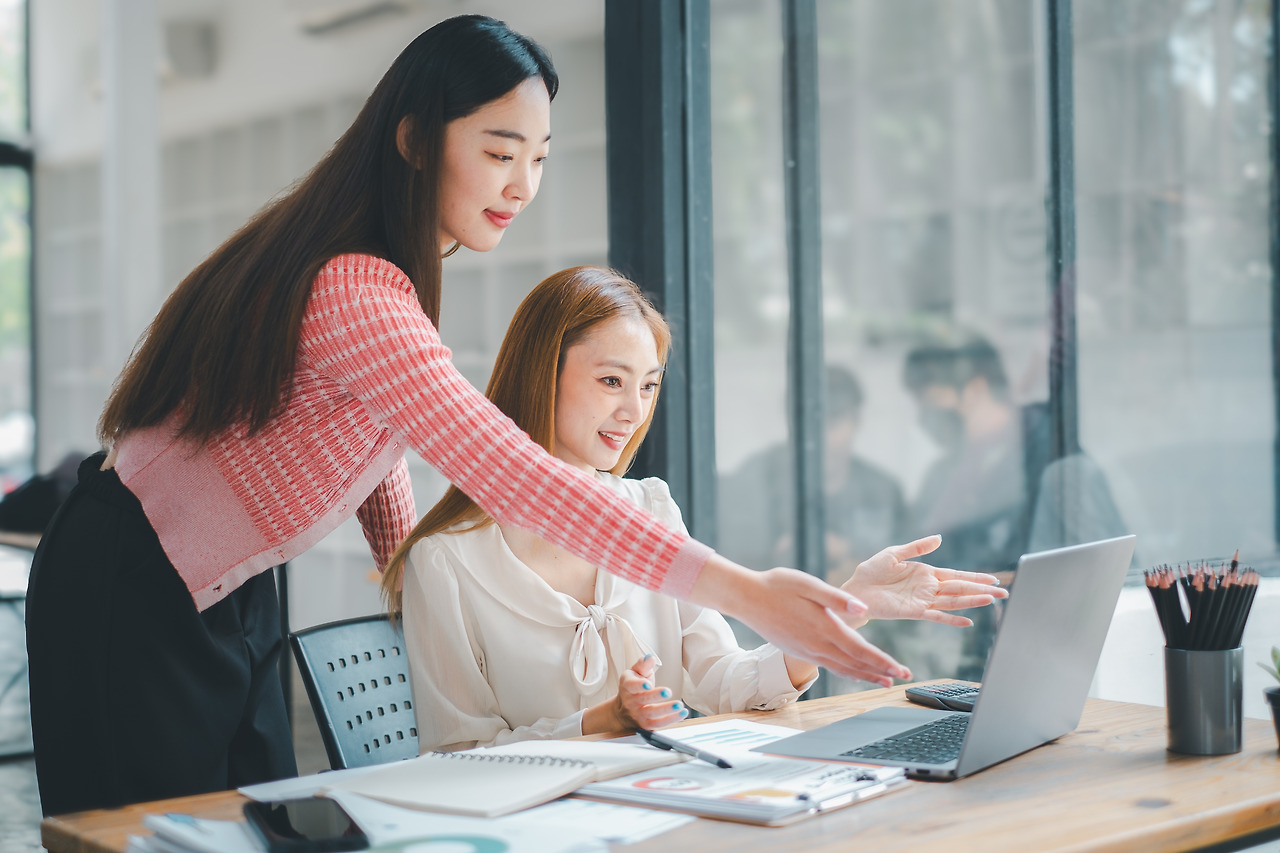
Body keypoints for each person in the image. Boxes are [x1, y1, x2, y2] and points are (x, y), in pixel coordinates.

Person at [23, 15, 926, 816]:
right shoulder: (355, 284)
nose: (522, 183)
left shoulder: (383, 278)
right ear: (415, 139)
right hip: (133, 576)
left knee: (242, 827)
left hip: (230, 580)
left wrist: (406, 574)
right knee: (142, 838)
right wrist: (746, 589)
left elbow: (373, 453)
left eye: (537, 157)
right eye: (500, 152)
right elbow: (515, 474)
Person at [381, 267, 1007, 751]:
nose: (633, 411)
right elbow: (458, 757)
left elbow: (728, 682)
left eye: (648, 384)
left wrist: (843, 609)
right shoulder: (446, 560)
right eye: (610, 381)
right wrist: (601, 721)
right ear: (542, 372)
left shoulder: (650, 510)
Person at [901, 335, 1127, 680]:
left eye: (931, 401)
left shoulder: (1052, 461)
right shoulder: (945, 474)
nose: (926, 417)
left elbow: (1099, 575)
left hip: (1035, 661)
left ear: (974, 389)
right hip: (958, 660)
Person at [718, 365, 909, 588]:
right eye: (809, 424)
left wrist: (850, 557)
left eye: (832, 423)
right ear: (791, 421)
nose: (820, 437)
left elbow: (910, 563)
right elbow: (725, 563)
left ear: (856, 420)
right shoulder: (754, 480)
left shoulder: (883, 491)